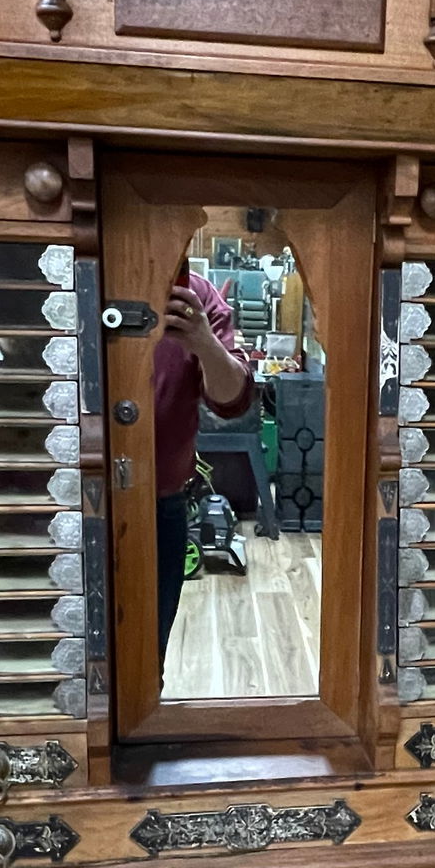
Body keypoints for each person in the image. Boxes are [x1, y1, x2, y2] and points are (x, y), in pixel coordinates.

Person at [154, 272, 254, 666]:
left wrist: (203, 341)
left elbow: (232, 401)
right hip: (63, 496)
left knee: (148, 652)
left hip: (161, 504)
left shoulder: (195, 292)